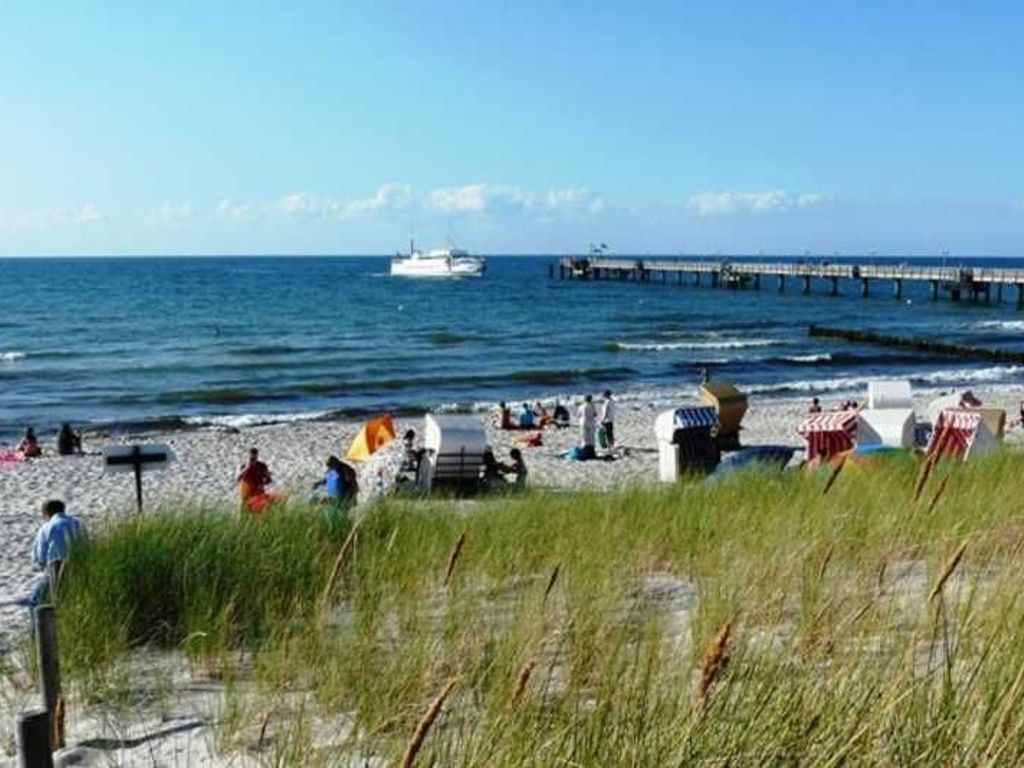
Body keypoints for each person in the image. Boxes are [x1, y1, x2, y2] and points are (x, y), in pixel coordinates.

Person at [23, 499, 86, 607]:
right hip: (80, 562)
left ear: (47, 513)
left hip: (57, 564)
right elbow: (86, 543)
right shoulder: (78, 523)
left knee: (41, 597)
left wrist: (41, 563)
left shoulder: (47, 527)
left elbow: (40, 555)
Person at [237, 447, 273, 514]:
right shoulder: (243, 466)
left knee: (259, 514)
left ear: (257, 456)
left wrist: (264, 481)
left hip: (258, 495)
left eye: (254, 458)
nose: (252, 460)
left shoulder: (262, 466)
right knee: (242, 514)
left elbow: (269, 480)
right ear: (248, 457)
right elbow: (238, 478)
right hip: (246, 495)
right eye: (251, 458)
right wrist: (247, 467)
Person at [578, 395, 597, 459]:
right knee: (591, 438)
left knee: (585, 437)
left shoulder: (581, 406)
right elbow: (595, 414)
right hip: (591, 423)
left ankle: (585, 452)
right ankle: (591, 452)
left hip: (583, 423)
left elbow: (579, 415)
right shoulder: (592, 406)